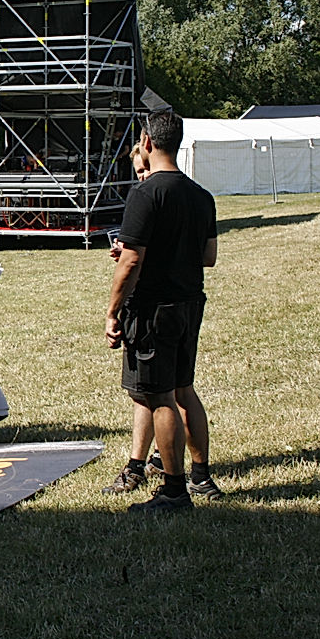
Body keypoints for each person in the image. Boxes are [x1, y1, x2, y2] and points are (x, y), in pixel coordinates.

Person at [104, 110, 221, 512]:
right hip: (190, 304)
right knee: (183, 390)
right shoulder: (201, 195)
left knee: (159, 400)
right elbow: (208, 256)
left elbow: (132, 261)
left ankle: (173, 490)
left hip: (153, 309)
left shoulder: (146, 193)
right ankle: (201, 476)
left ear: (148, 144)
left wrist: (112, 311)